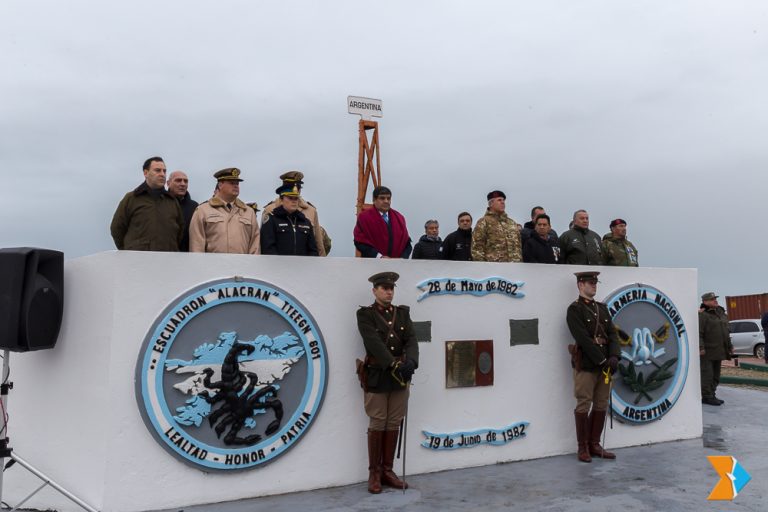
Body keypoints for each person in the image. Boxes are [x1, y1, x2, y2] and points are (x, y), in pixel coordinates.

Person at [356, 272, 419, 493]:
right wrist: (393, 365)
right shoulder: (365, 315)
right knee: (378, 421)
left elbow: (411, 339)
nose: (389, 292)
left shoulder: (402, 313)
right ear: (374, 291)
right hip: (378, 375)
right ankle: (374, 473)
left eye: (391, 288)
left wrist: (412, 362)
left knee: (393, 422)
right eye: (384, 288)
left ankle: (387, 471)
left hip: (401, 376)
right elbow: (373, 342)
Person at [566, 271, 621, 463]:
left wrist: (614, 356)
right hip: (588, 364)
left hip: (605, 365)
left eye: (595, 282)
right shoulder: (575, 310)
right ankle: (583, 447)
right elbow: (582, 339)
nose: (594, 285)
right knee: (584, 403)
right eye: (590, 283)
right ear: (580, 285)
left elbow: (612, 334)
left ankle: (595, 444)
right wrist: (602, 360)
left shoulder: (602, 309)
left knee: (601, 403)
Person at [110, 156, 184, 251]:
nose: (162, 174)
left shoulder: (172, 201)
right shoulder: (132, 198)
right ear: (146, 173)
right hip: (137, 258)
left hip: (167, 258)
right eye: (157, 170)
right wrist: (128, 250)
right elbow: (117, 228)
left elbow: (180, 231)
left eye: (164, 171)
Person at [188, 168, 260, 254]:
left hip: (242, 262)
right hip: (213, 262)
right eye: (231, 183)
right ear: (220, 185)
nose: (236, 186)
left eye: (237, 183)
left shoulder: (248, 212)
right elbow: (196, 245)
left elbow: (255, 245)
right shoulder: (203, 210)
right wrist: (199, 262)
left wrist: (253, 262)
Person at [261, 170, 326, 256]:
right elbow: (267, 246)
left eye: (296, 198)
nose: (294, 201)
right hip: (278, 263)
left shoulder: (308, 216)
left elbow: (317, 244)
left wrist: (319, 262)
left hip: (304, 263)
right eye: (290, 198)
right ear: (282, 198)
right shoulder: (270, 212)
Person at [353, 186, 412, 258]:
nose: (386, 201)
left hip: (396, 263)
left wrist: (402, 259)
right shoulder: (364, 218)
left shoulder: (399, 218)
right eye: (382, 198)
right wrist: (379, 256)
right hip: (372, 263)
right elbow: (359, 242)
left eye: (388, 198)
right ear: (374, 200)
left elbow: (407, 243)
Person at [699, 292, 733, 406]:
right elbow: (699, 333)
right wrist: (701, 347)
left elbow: (726, 331)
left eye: (715, 298)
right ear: (705, 302)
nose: (715, 300)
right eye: (712, 299)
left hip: (719, 350)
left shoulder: (721, 313)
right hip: (708, 351)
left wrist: (730, 346)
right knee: (707, 375)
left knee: (716, 376)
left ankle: (712, 394)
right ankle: (706, 396)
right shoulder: (703, 315)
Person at [471, 190, 522, 262]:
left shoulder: (512, 223)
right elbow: (477, 248)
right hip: (493, 267)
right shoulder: (484, 222)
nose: (503, 202)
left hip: (515, 266)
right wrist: (482, 267)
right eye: (499, 200)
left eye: (503, 200)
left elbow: (519, 247)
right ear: (491, 204)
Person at [166, 170, 198, 252]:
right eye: (178, 180)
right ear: (168, 183)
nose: (183, 184)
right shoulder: (160, 203)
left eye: (185, 181)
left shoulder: (195, 207)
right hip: (163, 254)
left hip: (187, 255)